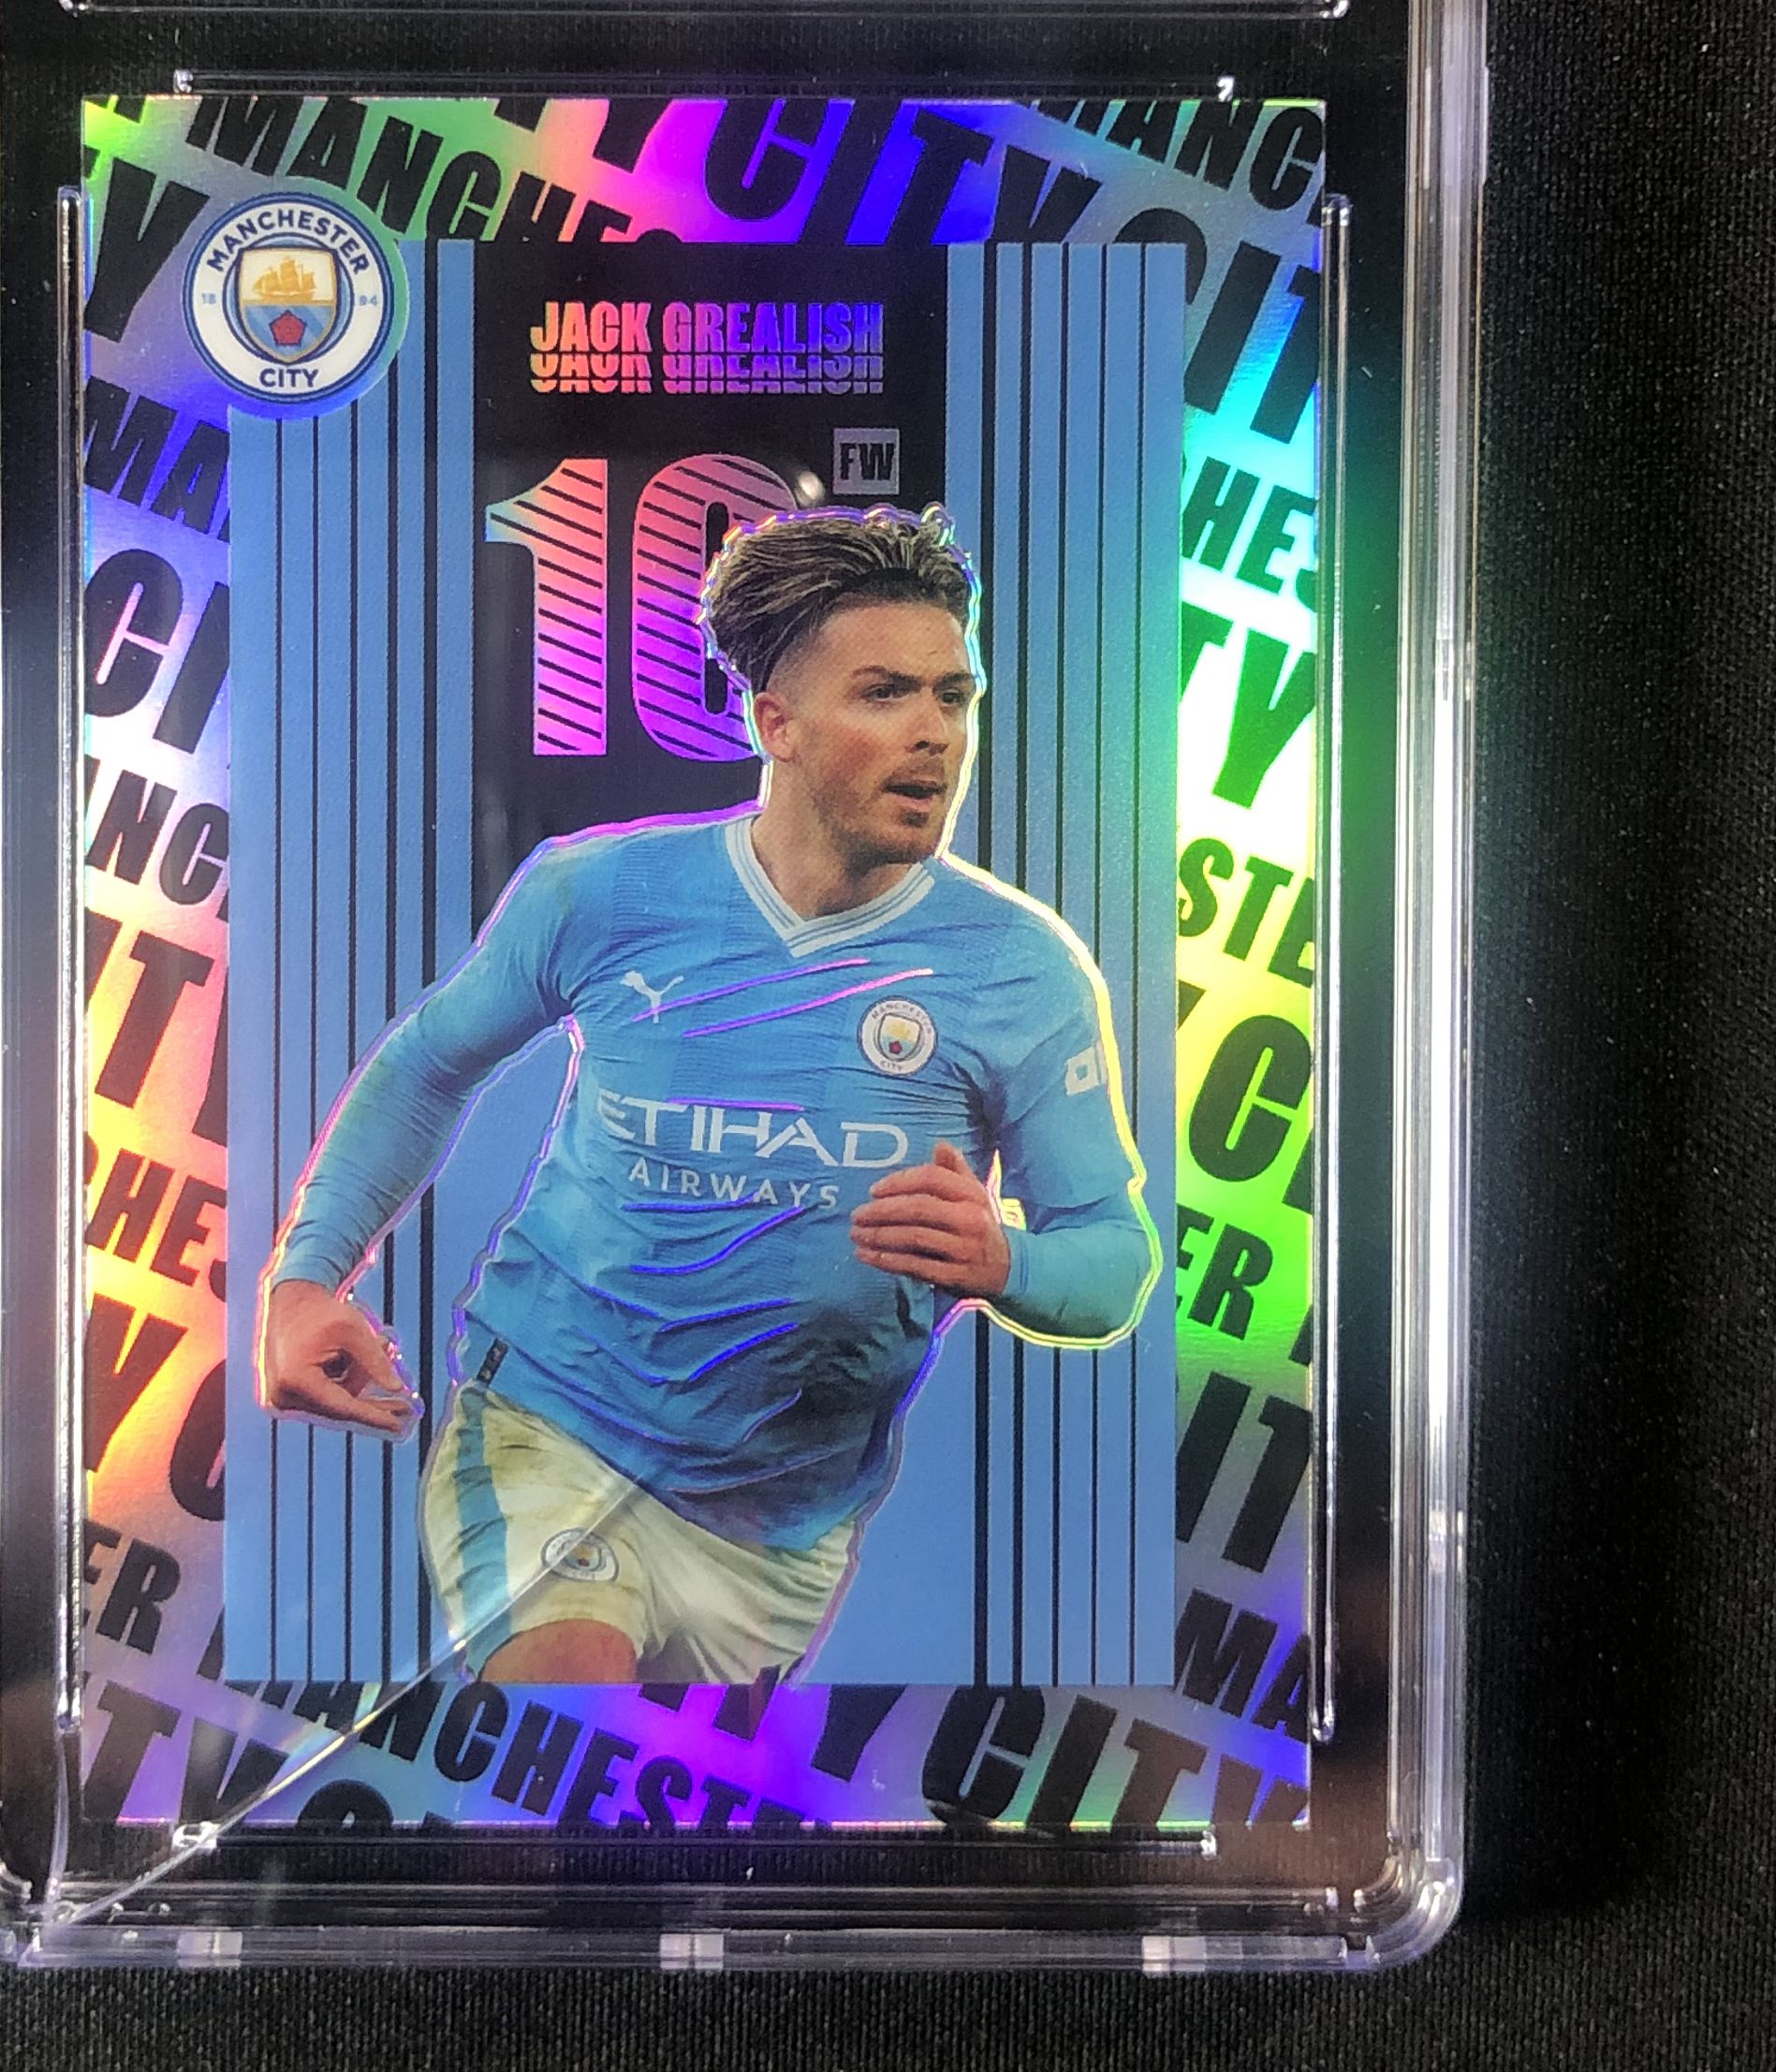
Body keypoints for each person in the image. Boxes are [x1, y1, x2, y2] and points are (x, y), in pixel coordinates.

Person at [256, 503, 1158, 1686]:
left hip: (787, 1525)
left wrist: (1009, 1263)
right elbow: (431, 1062)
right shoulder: (603, 894)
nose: (935, 733)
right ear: (776, 723)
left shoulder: (1022, 970)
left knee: (672, 1802)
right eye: (885, 693)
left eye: (955, 696)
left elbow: (1113, 1259)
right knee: (569, 1708)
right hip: (554, 1432)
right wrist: (306, 1278)